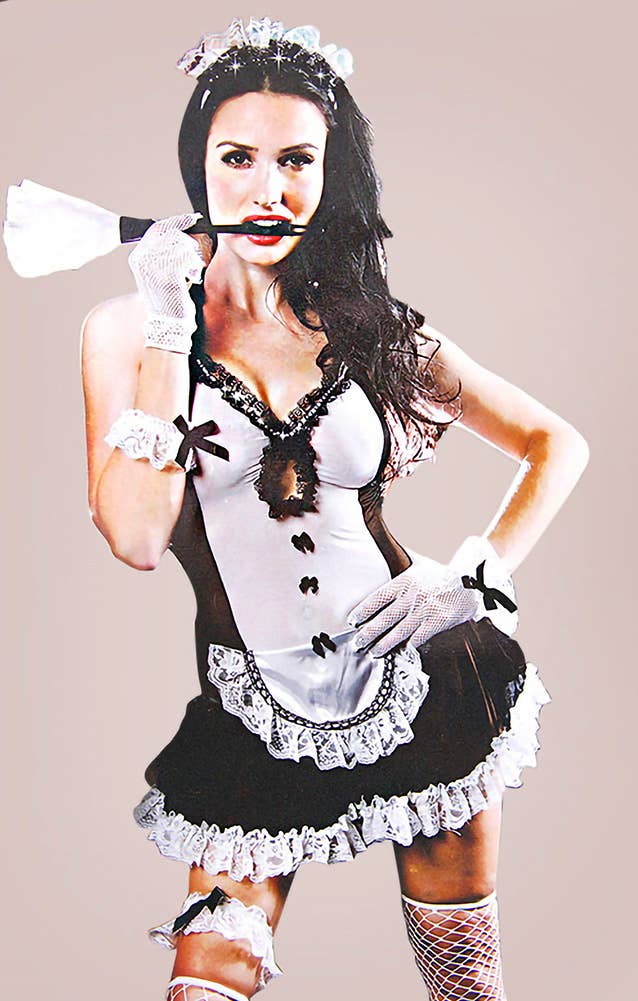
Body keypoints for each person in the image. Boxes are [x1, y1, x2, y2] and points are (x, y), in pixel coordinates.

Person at [81, 18, 589, 1001]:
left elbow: (552, 441)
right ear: (198, 168)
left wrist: (474, 573)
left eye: (296, 160)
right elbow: (137, 536)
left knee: (466, 988)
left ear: (328, 173)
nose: (267, 190)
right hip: (251, 714)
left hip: (425, 686)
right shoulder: (127, 331)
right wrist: (169, 323)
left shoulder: (367, 325)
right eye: (238, 158)